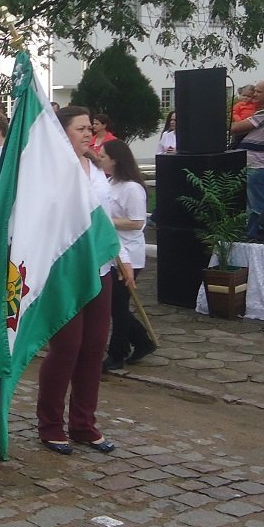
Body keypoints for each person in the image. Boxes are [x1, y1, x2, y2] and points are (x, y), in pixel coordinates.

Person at [36, 106, 133, 456]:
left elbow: (105, 220)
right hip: (65, 271)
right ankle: (50, 424)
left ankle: (83, 423)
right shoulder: (51, 171)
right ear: (62, 133)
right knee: (66, 348)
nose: (87, 133)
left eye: (89, 127)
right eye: (79, 128)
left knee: (94, 347)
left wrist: (120, 257)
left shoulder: (95, 169)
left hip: (101, 268)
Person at [100, 140, 155, 369]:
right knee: (115, 304)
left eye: (103, 156)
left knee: (119, 305)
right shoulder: (110, 183)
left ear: (116, 160)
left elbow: (136, 222)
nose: (100, 159)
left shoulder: (132, 188)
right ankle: (142, 340)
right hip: (110, 252)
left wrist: (106, 223)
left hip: (129, 253)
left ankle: (118, 352)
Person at [231, 81, 264, 238]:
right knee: (253, 207)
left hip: (257, 166)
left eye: (258, 92)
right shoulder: (263, 111)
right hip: (253, 165)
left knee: (260, 207)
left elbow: (236, 128)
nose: (254, 94)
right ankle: (253, 237)